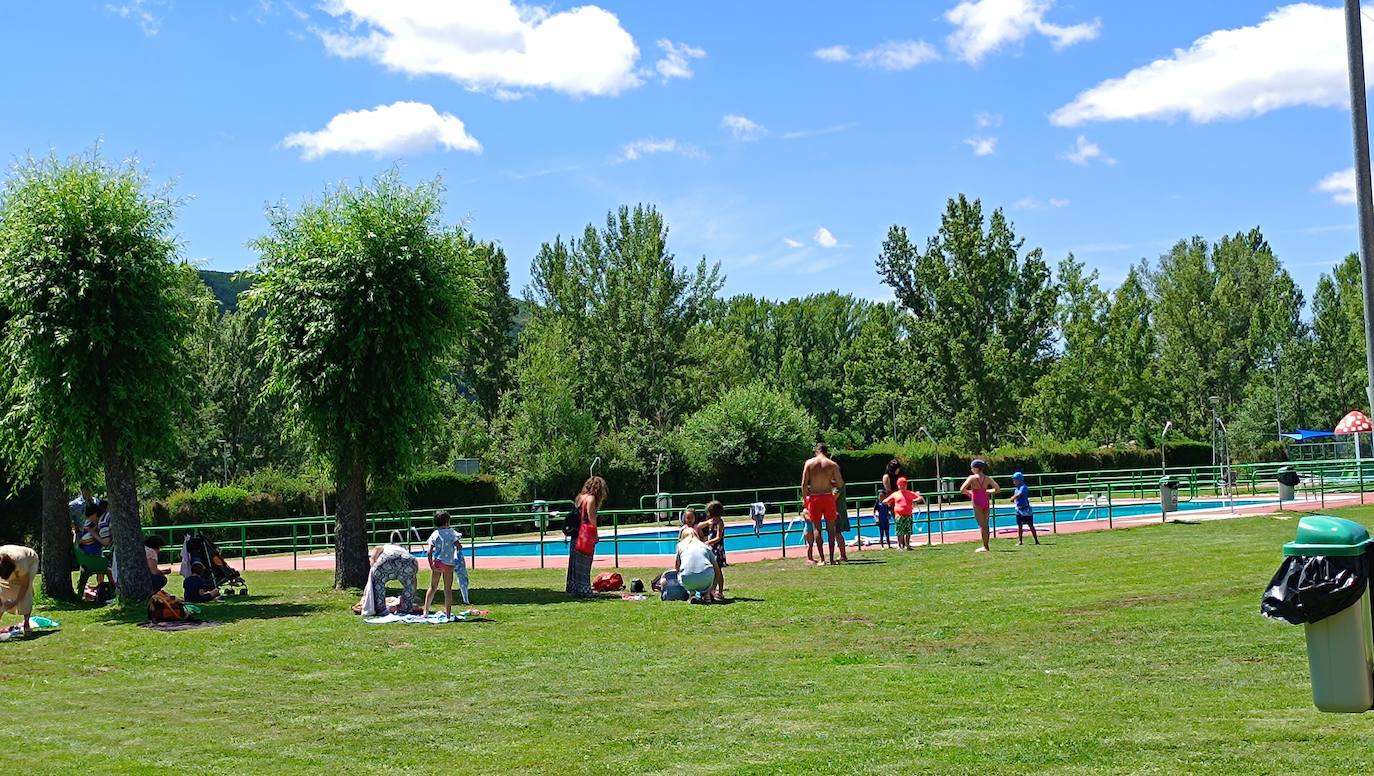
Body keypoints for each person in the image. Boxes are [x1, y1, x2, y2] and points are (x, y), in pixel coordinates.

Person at [801, 443, 844, 564]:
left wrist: (805, 501)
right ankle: (831, 558)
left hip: (814, 497)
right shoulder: (832, 464)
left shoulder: (809, 463)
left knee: (817, 528)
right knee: (831, 528)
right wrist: (830, 481)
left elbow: (804, 484)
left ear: (816, 451)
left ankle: (822, 559)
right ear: (826, 452)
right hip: (827, 497)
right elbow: (840, 484)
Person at [566, 476, 608, 598]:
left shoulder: (580, 497)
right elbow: (591, 519)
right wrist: (596, 535)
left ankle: (573, 588)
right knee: (584, 563)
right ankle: (584, 589)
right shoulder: (591, 499)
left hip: (575, 534)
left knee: (574, 563)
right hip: (585, 537)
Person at [360, 543, 419, 616]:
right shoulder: (404, 551)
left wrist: (373, 571)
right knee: (409, 585)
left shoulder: (384, 547)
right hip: (410, 561)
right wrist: (412, 592)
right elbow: (413, 580)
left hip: (388, 560)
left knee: (379, 584)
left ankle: (381, 609)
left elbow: (373, 557)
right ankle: (406, 608)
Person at [422, 510, 462, 616]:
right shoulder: (451, 533)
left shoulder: (435, 534)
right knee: (447, 589)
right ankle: (448, 613)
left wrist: (431, 565)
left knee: (433, 587)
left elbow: (429, 551)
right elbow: (458, 545)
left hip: (438, 562)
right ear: (447, 522)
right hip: (449, 564)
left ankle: (425, 610)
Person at [960, 459, 1001, 553]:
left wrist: (969, 493)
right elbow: (997, 489)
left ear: (976, 468)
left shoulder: (972, 478)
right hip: (985, 500)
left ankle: (985, 546)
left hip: (976, 500)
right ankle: (986, 545)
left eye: (972, 467)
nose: (971, 469)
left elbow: (962, 489)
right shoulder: (987, 478)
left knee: (981, 525)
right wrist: (987, 492)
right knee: (986, 524)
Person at [76, 500, 114, 594]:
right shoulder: (97, 522)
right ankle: (111, 589)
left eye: (89, 516)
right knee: (107, 568)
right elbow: (105, 542)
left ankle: (104, 587)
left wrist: (93, 531)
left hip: (90, 557)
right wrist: (93, 532)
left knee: (106, 568)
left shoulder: (100, 522)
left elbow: (104, 542)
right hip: (93, 557)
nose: (89, 519)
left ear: (95, 514)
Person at [0, 545, 38, 636]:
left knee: (26, 591)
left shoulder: (21, 562)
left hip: (30, 561)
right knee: (1, 592)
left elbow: (24, 585)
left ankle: (26, 623)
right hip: (9, 564)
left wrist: (15, 602)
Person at [675, 529, 719, 602]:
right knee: (708, 571)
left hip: (688, 579)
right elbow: (716, 569)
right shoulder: (705, 546)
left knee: (681, 574)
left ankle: (692, 594)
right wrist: (712, 588)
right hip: (706, 578)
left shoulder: (680, 546)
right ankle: (707, 594)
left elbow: (677, 567)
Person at [883, 477, 925, 550]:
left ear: (906, 485)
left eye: (904, 485)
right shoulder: (895, 494)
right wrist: (888, 503)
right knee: (900, 531)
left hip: (908, 515)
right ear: (898, 485)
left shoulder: (910, 493)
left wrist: (914, 500)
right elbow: (885, 501)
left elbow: (920, 498)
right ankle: (900, 546)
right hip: (899, 515)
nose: (902, 486)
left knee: (908, 531)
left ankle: (907, 545)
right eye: (900, 485)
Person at [701, 500, 727, 600]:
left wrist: (707, 543)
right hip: (712, 549)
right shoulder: (711, 522)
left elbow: (718, 537)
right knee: (714, 571)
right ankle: (713, 590)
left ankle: (720, 591)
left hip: (718, 550)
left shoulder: (719, 522)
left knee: (718, 571)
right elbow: (699, 526)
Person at [875, 459, 902, 549]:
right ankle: (899, 543)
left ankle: (903, 542)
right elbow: (888, 491)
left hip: (899, 499)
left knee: (901, 521)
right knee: (897, 521)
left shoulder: (897, 476)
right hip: (893, 501)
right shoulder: (887, 476)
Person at [1010, 472, 1040, 546]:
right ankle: (1020, 541)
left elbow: (1019, 494)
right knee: (1019, 525)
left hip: (1025, 509)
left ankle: (1036, 540)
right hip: (1018, 509)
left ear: (1019, 480)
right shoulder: (1016, 488)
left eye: (1015, 480)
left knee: (1030, 525)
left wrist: (1013, 498)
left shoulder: (1023, 487)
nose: (1014, 482)